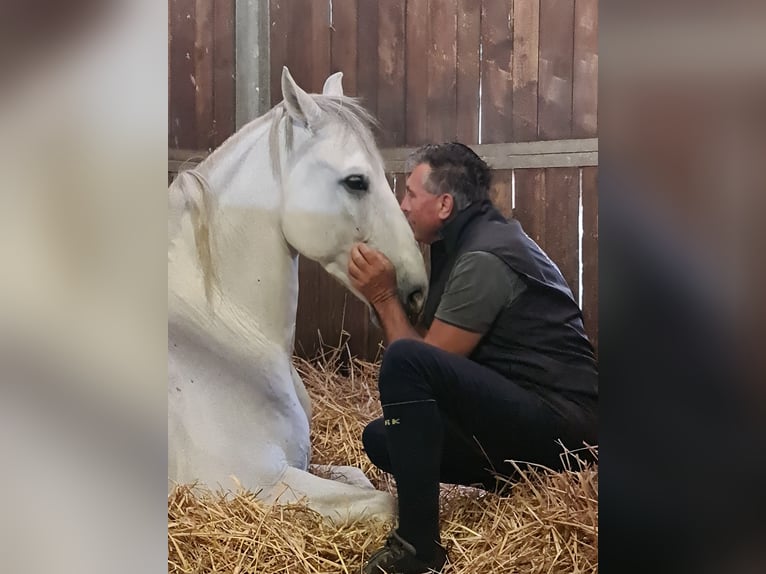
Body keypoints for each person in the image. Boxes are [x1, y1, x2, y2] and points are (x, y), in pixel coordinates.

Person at [347, 143, 598, 574]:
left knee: (405, 363)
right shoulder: (472, 240)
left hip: (569, 430)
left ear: (444, 204)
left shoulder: (484, 257)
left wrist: (385, 297)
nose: (404, 205)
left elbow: (421, 361)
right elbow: (436, 362)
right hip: (537, 415)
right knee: (383, 440)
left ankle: (418, 549)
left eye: (410, 194)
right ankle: (520, 481)